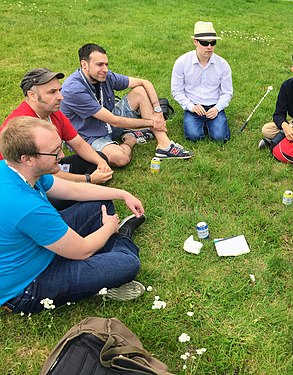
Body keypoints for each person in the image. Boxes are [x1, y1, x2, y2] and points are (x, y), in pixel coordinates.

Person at [0, 116, 147, 314]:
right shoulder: (27, 207)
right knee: (128, 264)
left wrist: (122, 194)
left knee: (100, 202)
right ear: (27, 159)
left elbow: (73, 190)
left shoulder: (12, 169)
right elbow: (82, 250)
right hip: (27, 285)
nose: (61, 155)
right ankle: (121, 237)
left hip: (40, 245)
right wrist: (109, 228)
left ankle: (105, 255)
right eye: (54, 152)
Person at [61, 43, 192, 167]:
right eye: (100, 65)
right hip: (88, 134)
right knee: (121, 158)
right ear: (84, 64)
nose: (105, 69)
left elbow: (144, 82)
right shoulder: (74, 89)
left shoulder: (105, 76)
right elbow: (115, 121)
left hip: (108, 120)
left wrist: (158, 112)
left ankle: (164, 145)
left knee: (139, 91)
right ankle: (130, 138)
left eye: (106, 64)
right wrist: (152, 122)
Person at [1, 68, 113, 210]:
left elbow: (78, 143)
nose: (61, 97)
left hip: (47, 167)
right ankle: (80, 190)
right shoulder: (22, 126)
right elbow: (45, 175)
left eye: (59, 90)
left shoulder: (53, 112)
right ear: (32, 96)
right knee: (74, 199)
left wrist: (101, 162)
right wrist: (88, 179)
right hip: (27, 185)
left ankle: (82, 187)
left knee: (99, 157)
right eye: (52, 92)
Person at [171, 21, 233, 142]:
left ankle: (211, 123)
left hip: (214, 106)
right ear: (195, 42)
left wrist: (217, 108)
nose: (209, 47)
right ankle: (202, 124)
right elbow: (177, 91)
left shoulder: (223, 64)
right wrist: (191, 107)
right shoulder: (182, 62)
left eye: (213, 42)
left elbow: (227, 93)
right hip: (194, 106)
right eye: (205, 43)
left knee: (220, 138)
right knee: (193, 137)